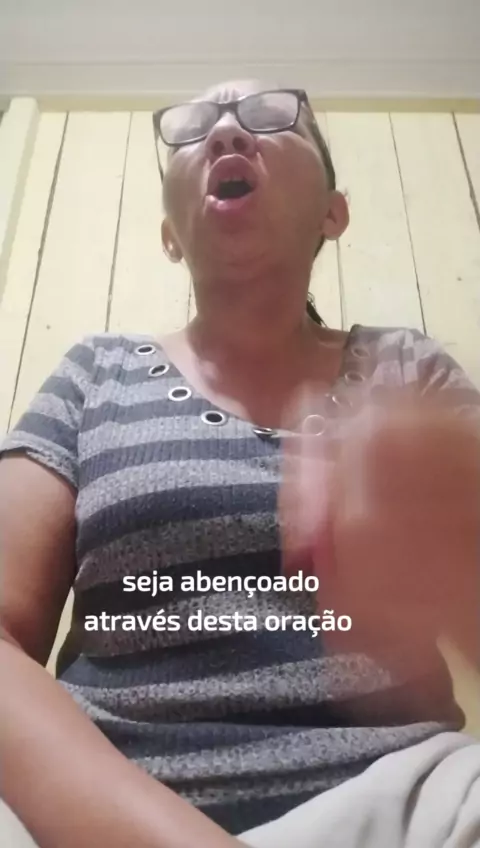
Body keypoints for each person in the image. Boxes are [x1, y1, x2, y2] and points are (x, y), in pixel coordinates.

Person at [0, 80, 479, 848]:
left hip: (408, 801)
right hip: (91, 809)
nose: (227, 134)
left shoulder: (407, 369)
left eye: (270, 116)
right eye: (196, 127)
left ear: (333, 213)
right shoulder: (95, 373)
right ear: (169, 234)